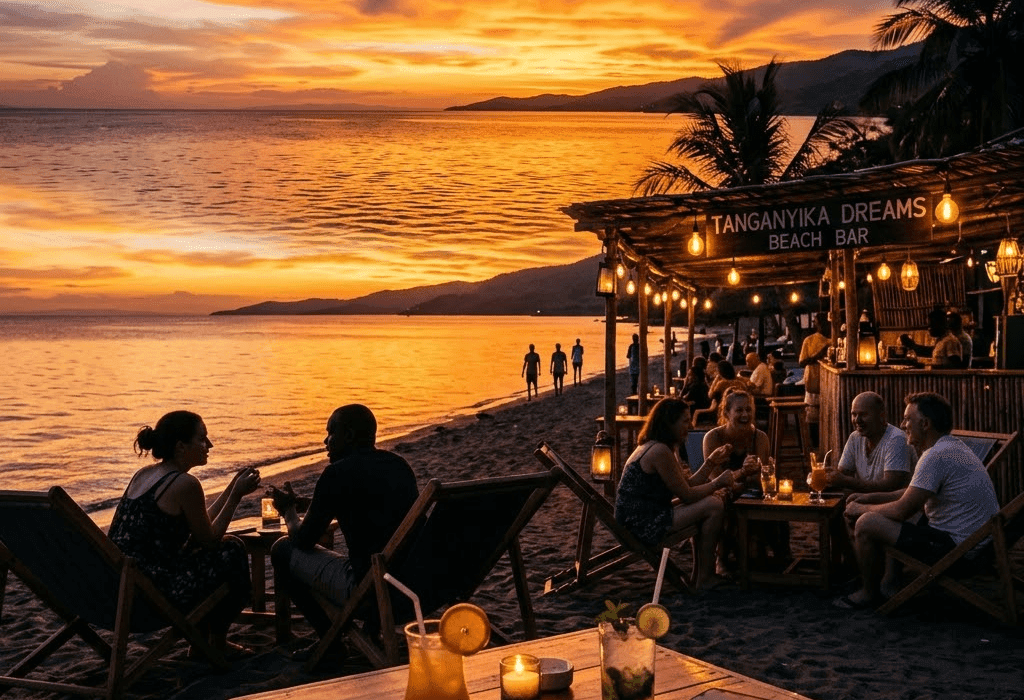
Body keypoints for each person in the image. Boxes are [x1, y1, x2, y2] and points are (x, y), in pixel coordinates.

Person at [108, 410, 260, 656]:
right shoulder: (185, 484)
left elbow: (200, 525)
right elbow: (210, 539)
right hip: (150, 597)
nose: (209, 445)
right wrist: (236, 497)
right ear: (180, 446)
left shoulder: (145, 474)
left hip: (117, 588)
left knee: (199, 553)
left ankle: (199, 642)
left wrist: (231, 487)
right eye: (202, 439)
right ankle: (215, 644)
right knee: (230, 550)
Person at [268, 404, 418, 646]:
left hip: (370, 592)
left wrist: (288, 511)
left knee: (282, 550)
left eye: (331, 433)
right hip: (411, 585)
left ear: (348, 435)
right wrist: (314, 503)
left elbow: (303, 540)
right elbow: (370, 505)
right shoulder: (399, 466)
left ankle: (331, 642)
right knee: (377, 549)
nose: (325, 441)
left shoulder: (337, 474)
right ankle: (371, 632)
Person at [837, 392, 999, 609]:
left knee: (867, 523)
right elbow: (912, 494)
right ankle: (889, 580)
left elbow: (900, 510)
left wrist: (861, 508)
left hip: (959, 553)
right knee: (897, 515)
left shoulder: (935, 456)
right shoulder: (949, 447)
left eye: (907, 419)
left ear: (924, 424)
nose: (903, 425)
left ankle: (869, 592)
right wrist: (870, 497)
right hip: (978, 545)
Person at [614, 398, 736, 590]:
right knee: (714, 506)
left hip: (643, 516)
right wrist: (717, 482)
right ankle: (705, 577)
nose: (691, 425)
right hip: (642, 524)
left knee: (709, 501)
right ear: (669, 422)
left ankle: (701, 575)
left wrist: (711, 462)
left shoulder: (656, 446)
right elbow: (687, 495)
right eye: (685, 421)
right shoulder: (659, 451)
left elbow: (686, 485)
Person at [703, 389, 788, 567]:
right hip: (722, 494)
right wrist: (743, 472)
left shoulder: (760, 437)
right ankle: (722, 559)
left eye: (748, 410)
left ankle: (781, 555)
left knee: (779, 501)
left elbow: (763, 479)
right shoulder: (713, 437)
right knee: (724, 499)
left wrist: (757, 472)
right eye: (739, 410)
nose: (745, 415)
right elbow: (714, 479)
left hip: (751, 492)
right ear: (726, 413)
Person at [826, 392, 916, 493]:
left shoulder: (897, 439)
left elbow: (891, 486)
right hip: (867, 502)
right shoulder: (854, 437)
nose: (857, 420)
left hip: (893, 505)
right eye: (854, 414)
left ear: (881, 415)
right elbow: (843, 475)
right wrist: (827, 478)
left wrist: (845, 481)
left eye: (863, 414)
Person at [799, 312, 832, 449]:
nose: (814, 323)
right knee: (813, 418)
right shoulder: (809, 340)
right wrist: (819, 354)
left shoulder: (834, 339)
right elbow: (802, 362)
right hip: (813, 383)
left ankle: (827, 447)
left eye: (815, 321)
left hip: (829, 385)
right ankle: (815, 449)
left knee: (828, 418)